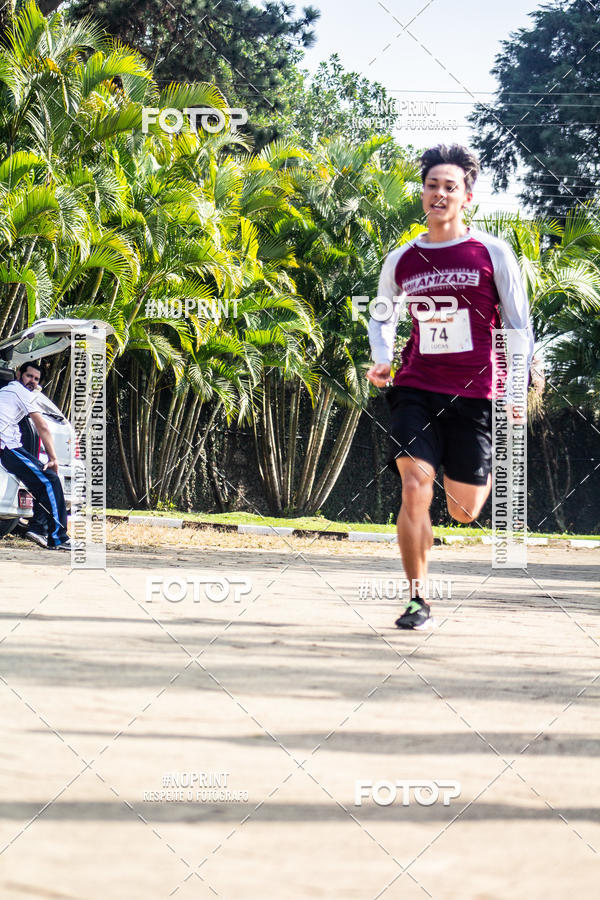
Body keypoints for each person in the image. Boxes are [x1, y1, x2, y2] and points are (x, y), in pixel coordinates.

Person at [367, 144, 533, 630]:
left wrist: (516, 386)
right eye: (432, 185)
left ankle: (460, 487)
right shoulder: (402, 258)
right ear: (422, 193)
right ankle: (418, 600)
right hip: (416, 387)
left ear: (466, 197)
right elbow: (383, 313)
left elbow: (518, 325)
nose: (439, 194)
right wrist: (382, 358)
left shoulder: (491, 252)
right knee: (414, 484)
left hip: (476, 394)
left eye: (449, 186)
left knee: (464, 510)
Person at [0, 361, 71, 550]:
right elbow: (42, 426)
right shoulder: (19, 390)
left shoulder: (8, 391)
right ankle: (59, 538)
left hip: (9, 446)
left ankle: (39, 528)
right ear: (18, 375)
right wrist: (53, 458)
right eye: (29, 376)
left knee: (42, 482)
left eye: (36, 379)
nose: (32, 381)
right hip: (7, 448)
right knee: (50, 479)